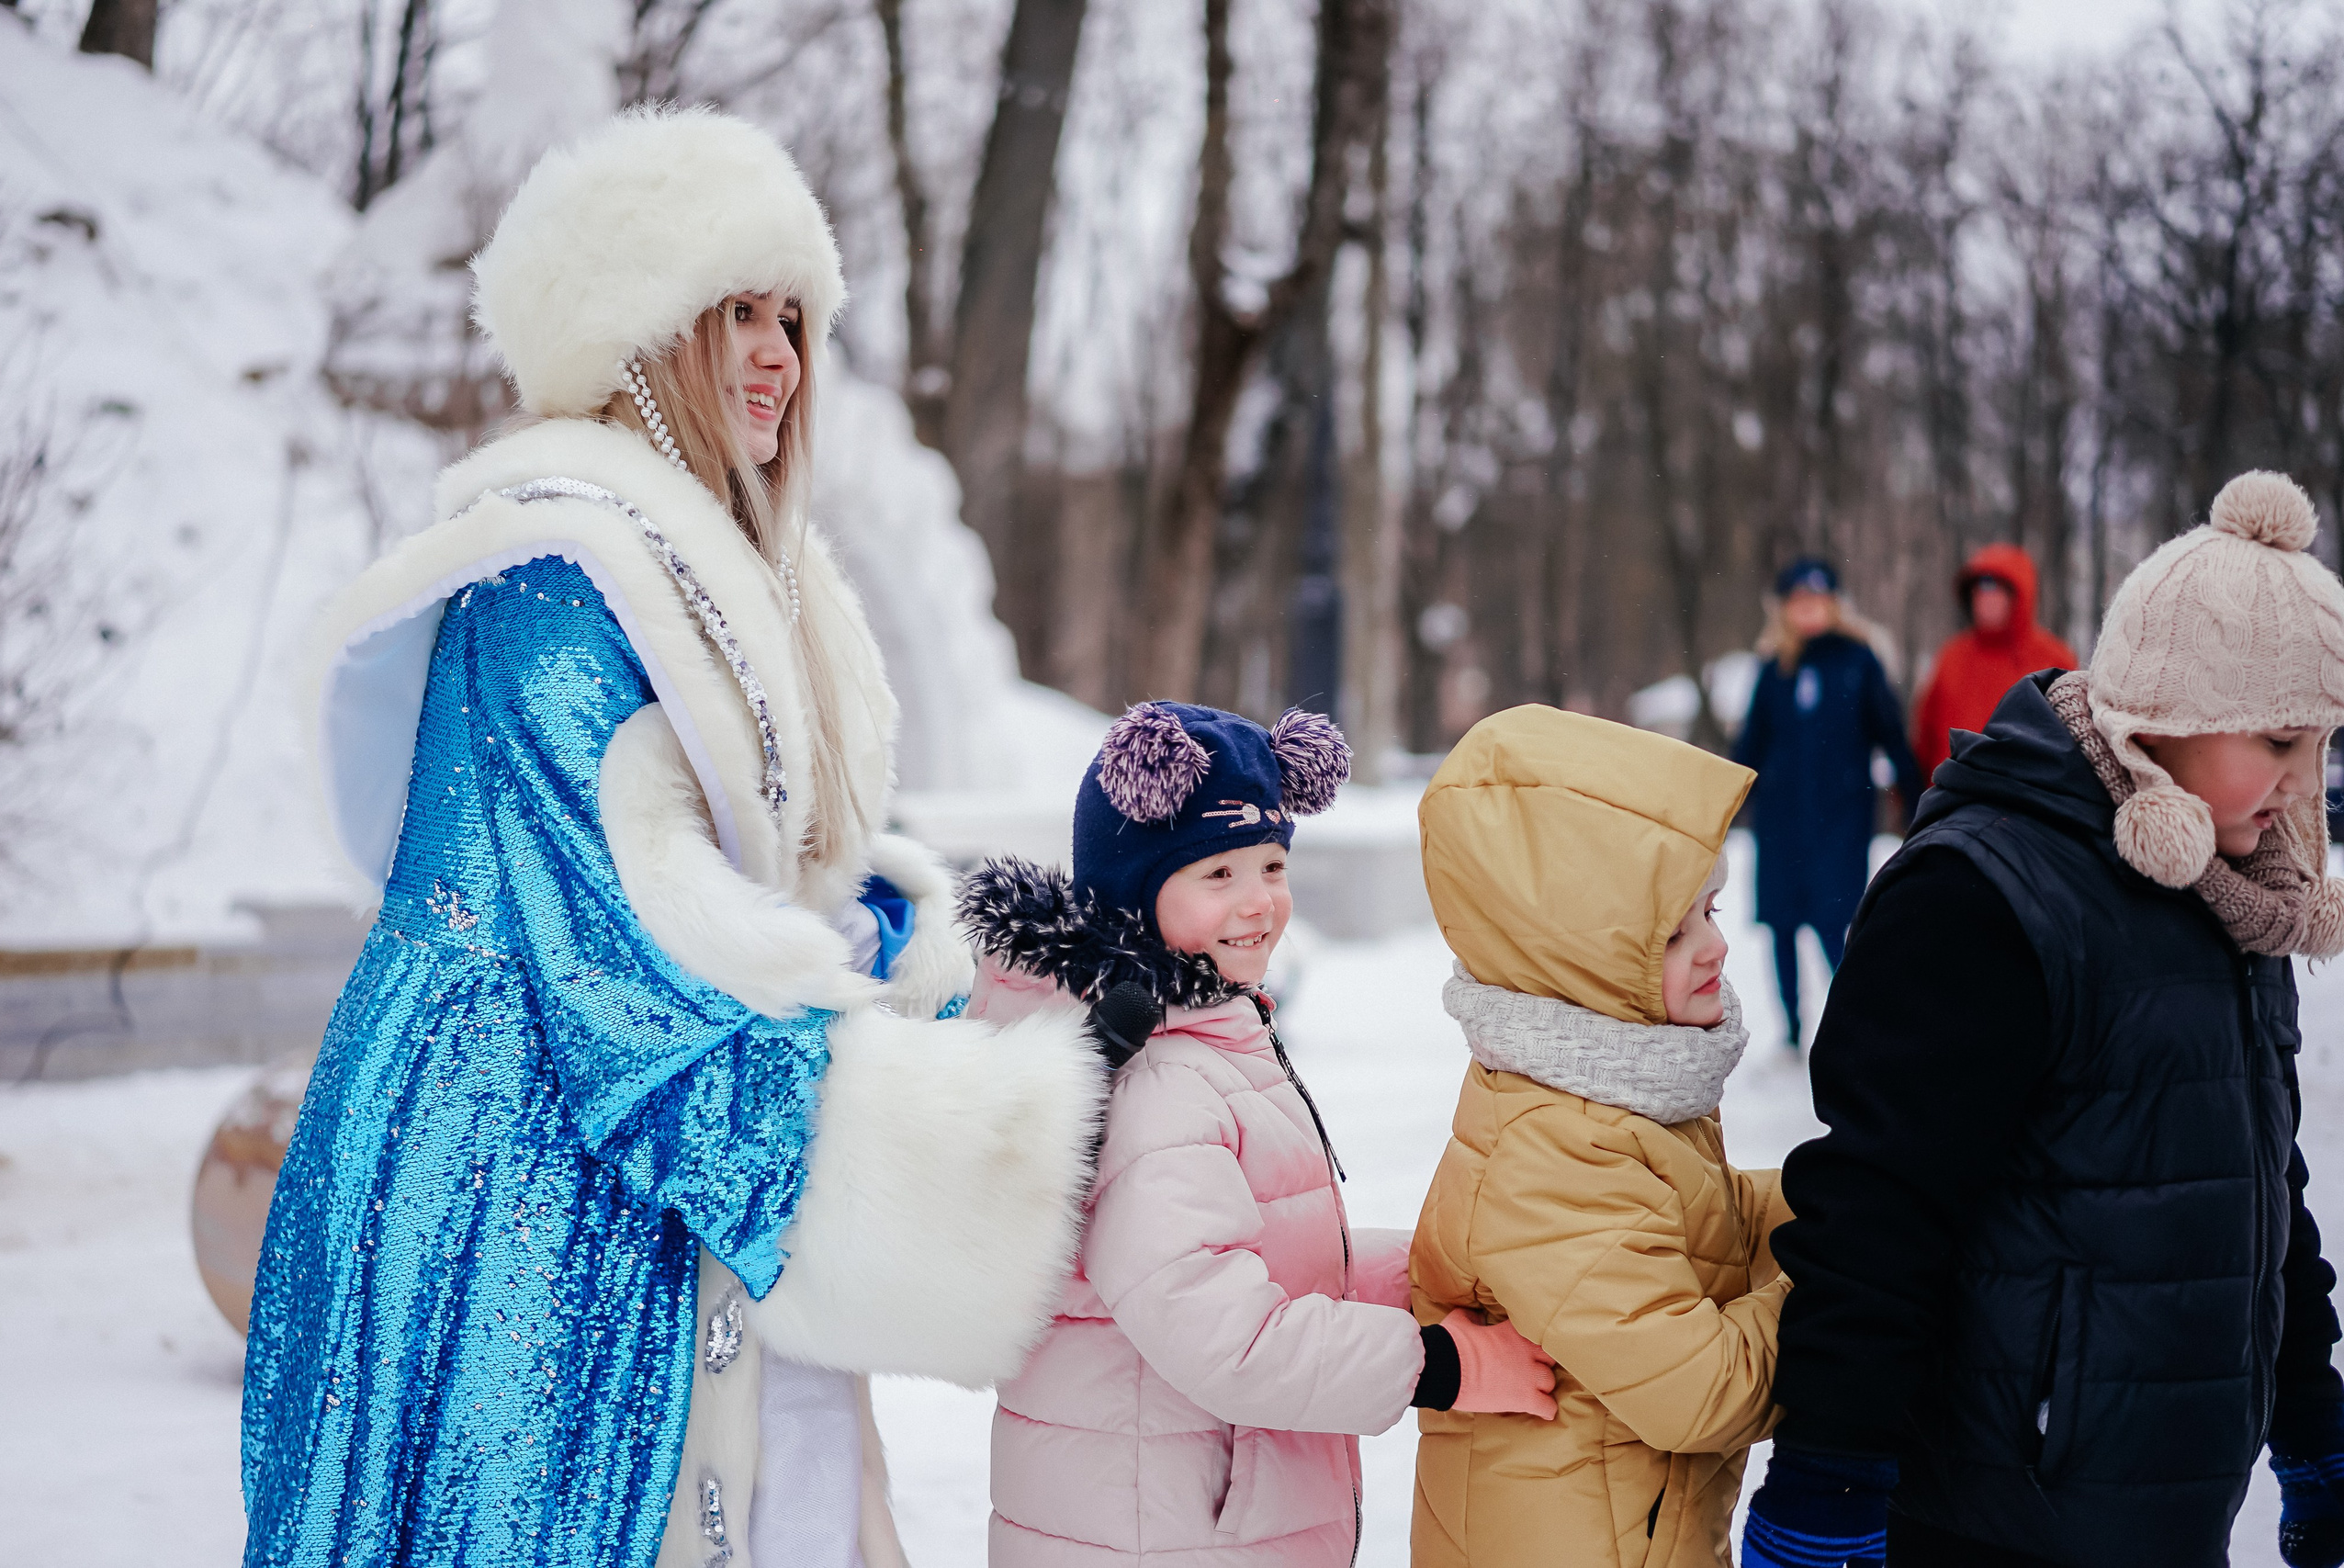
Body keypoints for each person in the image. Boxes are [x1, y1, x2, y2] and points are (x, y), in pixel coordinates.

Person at [242, 108, 1112, 1568]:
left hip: (649, 1153)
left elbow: (795, 877)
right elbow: (626, 961)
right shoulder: (552, 586)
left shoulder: (743, 578)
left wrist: (914, 957)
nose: (780, 354)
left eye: (795, 317)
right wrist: (969, 1144)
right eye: (737, 316)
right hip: (516, 1182)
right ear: (640, 337)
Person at [1738, 471, 2344, 1568]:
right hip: (1998, 1512)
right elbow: (1880, 1208)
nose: (2304, 787)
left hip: (2164, 1507)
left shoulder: (2236, 890)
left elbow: (2253, 1187)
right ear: (2167, 716)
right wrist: (1826, 1478)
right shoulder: (1985, 896)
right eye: (2275, 743)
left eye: (2319, 748)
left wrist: (2314, 1427)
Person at [958, 701, 1559, 1566]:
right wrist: (1443, 1363)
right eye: (1217, 874)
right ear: (1134, 886)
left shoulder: (1196, 1028)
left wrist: (1448, 1265)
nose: (1259, 902)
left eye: (1272, 864)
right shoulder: (1154, 1075)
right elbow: (1225, 1334)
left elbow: (1263, 1253)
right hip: (1157, 1537)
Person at [1409, 705, 1792, 1567]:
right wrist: (1829, 1275)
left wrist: (1833, 1191)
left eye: (1713, 910)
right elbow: (1701, 1391)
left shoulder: (1620, 1092)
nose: (1718, 947)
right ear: (1579, 956)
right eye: (1676, 930)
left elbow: (1702, 1219)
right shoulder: (1553, 1148)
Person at [1731, 558, 1923, 1048]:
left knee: (1834, 921)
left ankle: (1853, 1023)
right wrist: (1723, 800)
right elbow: (1750, 745)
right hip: (1781, 820)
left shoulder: (1859, 662)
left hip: (1841, 819)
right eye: (1799, 602)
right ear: (1786, 609)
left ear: (1834, 606)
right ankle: (1792, 1031)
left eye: (1818, 602)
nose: (1809, 611)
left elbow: (1890, 734)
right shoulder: (1774, 668)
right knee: (1781, 924)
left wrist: (1918, 797)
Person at [1910, 543, 2079, 784]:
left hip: (2026, 802)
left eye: (1996, 591)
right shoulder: (1951, 657)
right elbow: (1925, 738)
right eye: (1980, 591)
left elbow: (2074, 741)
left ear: (2018, 596)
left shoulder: (2054, 658)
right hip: (1952, 802)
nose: (1986, 600)